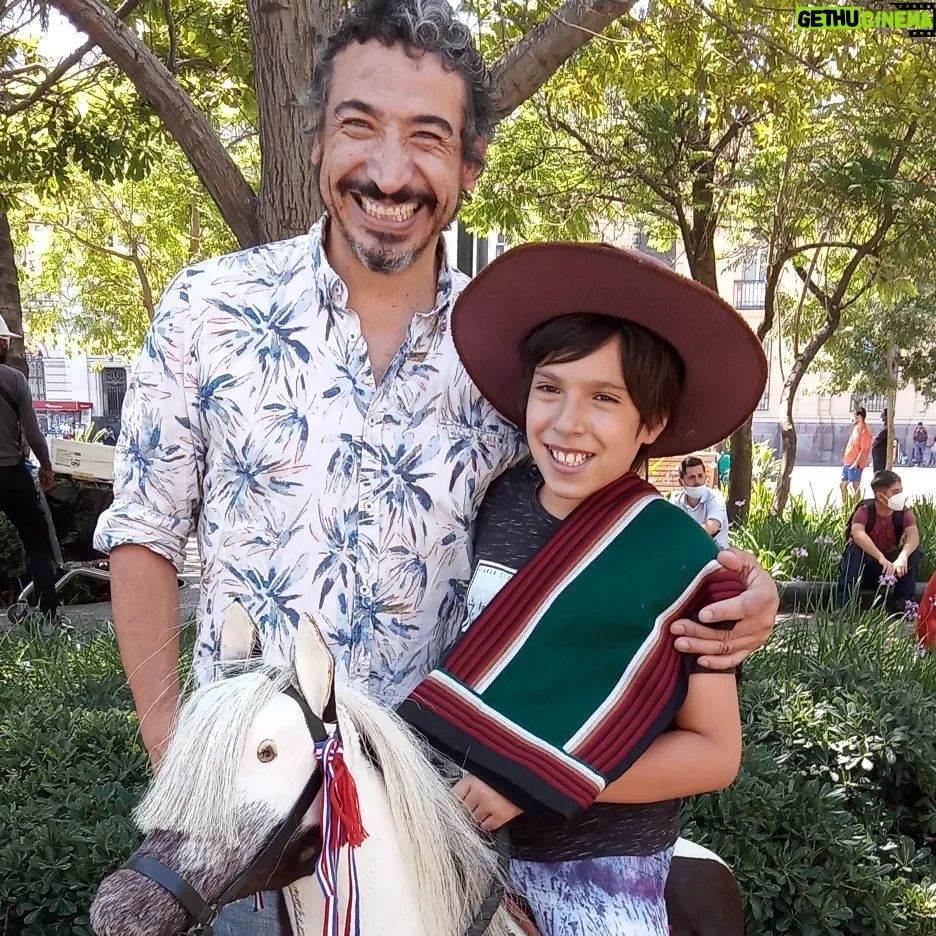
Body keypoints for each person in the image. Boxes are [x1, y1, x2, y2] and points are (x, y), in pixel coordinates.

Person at [92, 0, 780, 928]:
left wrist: (741, 588)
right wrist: (177, 758)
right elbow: (142, 532)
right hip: (248, 830)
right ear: (316, 141)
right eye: (358, 125)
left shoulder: (513, 359)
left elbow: (602, 529)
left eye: (427, 136)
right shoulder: (208, 308)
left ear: (468, 164)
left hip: (440, 841)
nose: (388, 169)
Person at [400, 243, 766, 935]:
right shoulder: (493, 502)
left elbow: (715, 754)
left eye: (605, 398)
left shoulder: (680, 557)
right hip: (457, 854)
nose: (568, 422)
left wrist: (534, 777)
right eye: (550, 388)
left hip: (600, 874)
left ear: (650, 424)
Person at [0, 318, 58, 619]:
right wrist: (46, 468)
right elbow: (34, 434)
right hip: (11, 474)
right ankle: (48, 613)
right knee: (37, 543)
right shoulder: (15, 380)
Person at [836, 469, 923, 612]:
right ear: (880, 496)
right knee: (854, 550)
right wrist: (881, 558)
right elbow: (858, 535)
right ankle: (844, 604)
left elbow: (913, 536)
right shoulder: (865, 511)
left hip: (892, 567)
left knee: (916, 551)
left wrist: (902, 557)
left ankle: (901, 603)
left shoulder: (904, 513)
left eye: (900, 491)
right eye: (895, 492)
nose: (900, 496)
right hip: (867, 566)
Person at [672, 455, 730, 548]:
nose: (697, 481)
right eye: (691, 477)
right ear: (681, 482)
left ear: (705, 476)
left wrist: (683, 536)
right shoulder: (676, 501)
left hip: (716, 555)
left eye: (700, 476)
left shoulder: (715, 497)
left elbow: (712, 526)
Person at [840, 407, 873, 503]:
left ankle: (857, 506)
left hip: (856, 464)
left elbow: (864, 449)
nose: (853, 418)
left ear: (859, 417)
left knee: (855, 486)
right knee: (843, 485)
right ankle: (845, 506)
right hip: (848, 462)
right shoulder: (856, 428)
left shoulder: (865, 431)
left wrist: (856, 462)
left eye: (854, 416)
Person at [871, 409, 888, 475]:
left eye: (882, 416)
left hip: (880, 458)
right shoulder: (884, 430)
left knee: (878, 474)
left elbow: (874, 442)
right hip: (878, 457)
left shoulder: (885, 431)